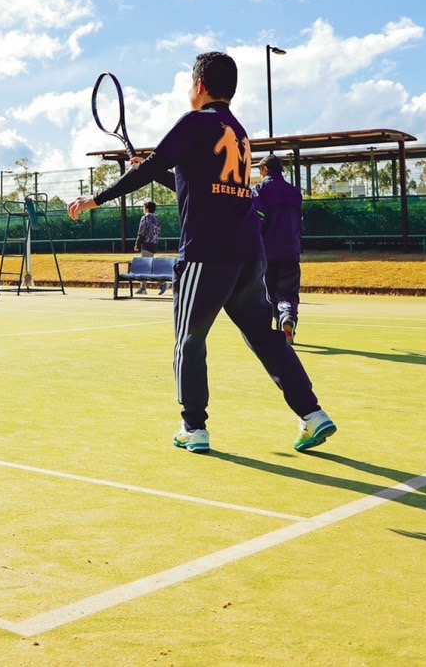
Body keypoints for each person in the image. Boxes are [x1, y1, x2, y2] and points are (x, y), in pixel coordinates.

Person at [68, 51, 335, 455]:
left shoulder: (195, 122)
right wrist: (153, 169)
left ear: (199, 85)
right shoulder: (238, 132)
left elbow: (154, 168)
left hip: (206, 255)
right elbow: (193, 181)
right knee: (266, 339)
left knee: (188, 341)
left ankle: (194, 427)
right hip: (249, 255)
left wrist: (97, 198)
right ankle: (312, 413)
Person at [253, 154, 303, 343]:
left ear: (265, 170)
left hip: (266, 251)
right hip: (291, 250)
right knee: (288, 293)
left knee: (269, 293)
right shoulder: (294, 192)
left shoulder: (259, 190)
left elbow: (256, 218)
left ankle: (279, 326)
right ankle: (287, 318)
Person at [134, 200, 163, 294]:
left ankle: (144, 288)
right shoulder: (157, 218)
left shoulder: (145, 217)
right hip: (154, 244)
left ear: (146, 209)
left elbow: (142, 232)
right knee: (149, 265)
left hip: (146, 244)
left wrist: (137, 244)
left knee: (145, 266)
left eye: (144, 208)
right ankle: (160, 283)